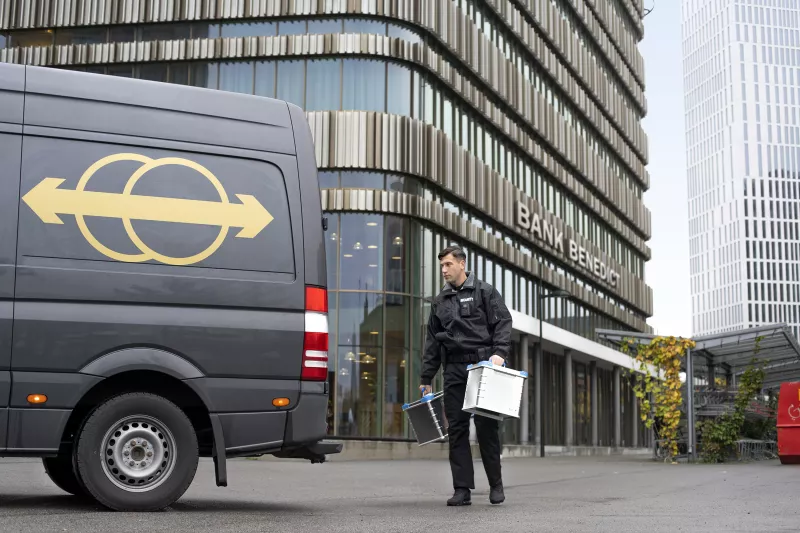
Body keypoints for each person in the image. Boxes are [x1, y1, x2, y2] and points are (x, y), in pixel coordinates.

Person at [420, 245, 513, 507]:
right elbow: (433, 342)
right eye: (441, 266)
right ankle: (462, 489)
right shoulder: (440, 301)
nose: (444, 270)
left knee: (487, 427)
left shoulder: (484, 291)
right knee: (457, 430)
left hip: (483, 367)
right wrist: (426, 377)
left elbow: (503, 323)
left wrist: (500, 353)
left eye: (448, 264)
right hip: (454, 371)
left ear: (462, 264)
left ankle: (496, 485)